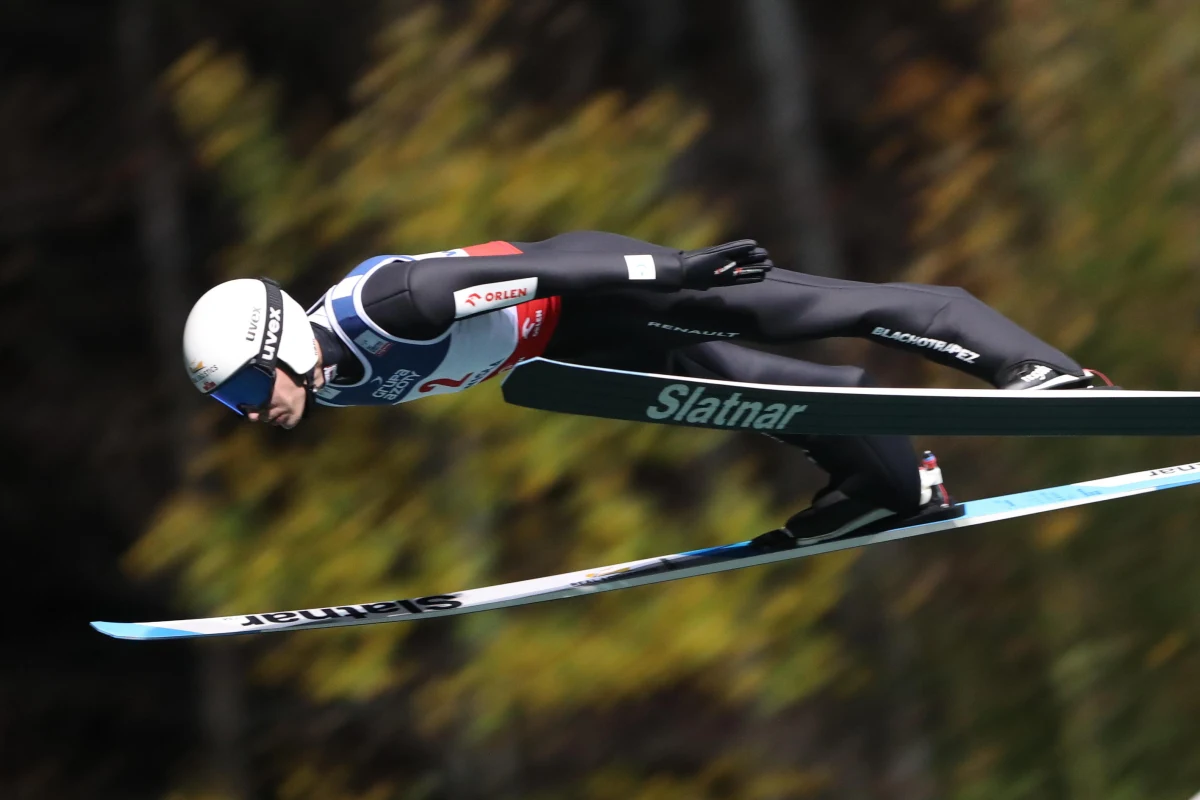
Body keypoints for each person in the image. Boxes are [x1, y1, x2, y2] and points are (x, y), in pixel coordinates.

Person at [182, 231, 1099, 544]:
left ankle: (1046, 374)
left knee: (820, 309)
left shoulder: (395, 306)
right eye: (232, 404)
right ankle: (893, 485)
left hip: (603, 290)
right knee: (751, 388)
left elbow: (554, 263)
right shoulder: (330, 384)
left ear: (280, 342)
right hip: (582, 343)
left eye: (249, 387)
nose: (253, 410)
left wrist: (676, 268)